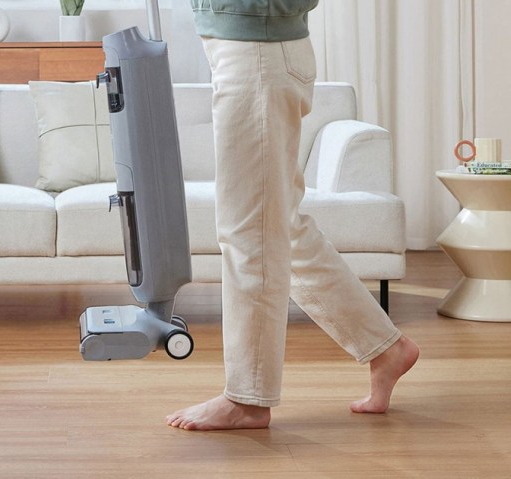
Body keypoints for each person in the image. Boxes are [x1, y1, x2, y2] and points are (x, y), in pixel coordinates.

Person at [166, 0, 420, 431]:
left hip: (257, 51)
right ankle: (383, 347)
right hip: (250, 47)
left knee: (250, 232)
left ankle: (248, 399)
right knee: (277, 226)